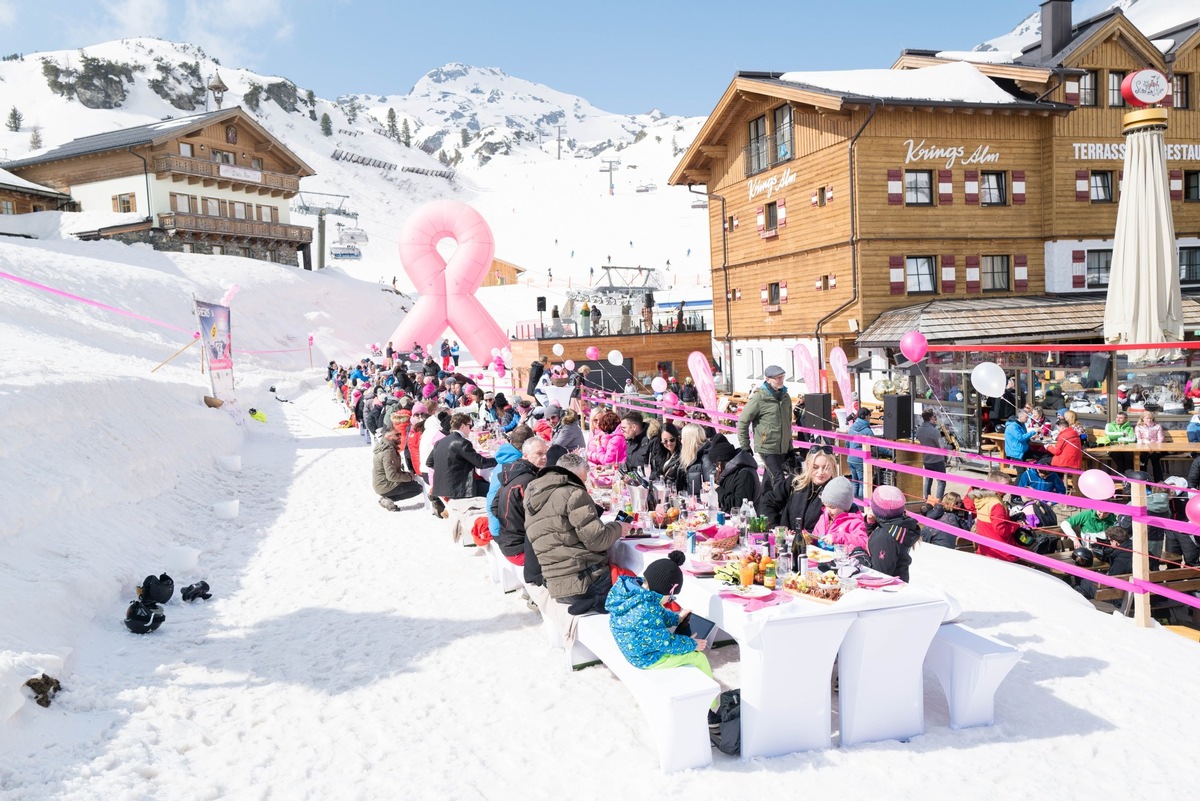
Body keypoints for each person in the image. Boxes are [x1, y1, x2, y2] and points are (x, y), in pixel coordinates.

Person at [524, 452, 628, 614]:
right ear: (574, 474)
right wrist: (619, 527)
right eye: (584, 479)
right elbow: (598, 540)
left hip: (555, 586)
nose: (585, 484)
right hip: (586, 584)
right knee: (638, 581)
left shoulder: (534, 495)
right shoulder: (573, 493)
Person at [606, 551, 715, 687]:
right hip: (646, 658)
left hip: (633, 648)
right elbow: (665, 643)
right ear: (664, 590)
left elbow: (658, 615)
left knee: (680, 643)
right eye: (671, 597)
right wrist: (692, 644)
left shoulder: (637, 595)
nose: (671, 600)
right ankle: (710, 705)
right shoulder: (646, 611)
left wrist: (677, 618)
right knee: (698, 657)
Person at [491, 434, 549, 567]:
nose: (544, 457)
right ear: (525, 455)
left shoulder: (513, 472)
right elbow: (541, 517)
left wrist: (510, 524)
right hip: (520, 550)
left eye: (545, 453)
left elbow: (494, 507)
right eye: (539, 454)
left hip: (507, 542)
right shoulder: (529, 480)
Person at [737, 365, 792, 491]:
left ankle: (764, 504)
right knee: (778, 478)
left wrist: (789, 446)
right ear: (768, 379)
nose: (781, 380)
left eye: (782, 377)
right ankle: (781, 508)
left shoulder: (785, 397)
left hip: (782, 447)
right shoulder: (759, 398)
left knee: (770, 478)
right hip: (766, 446)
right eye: (778, 378)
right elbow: (743, 421)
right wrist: (745, 446)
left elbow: (788, 424)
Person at [763, 446, 840, 534]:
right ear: (808, 465)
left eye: (826, 468)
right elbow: (768, 502)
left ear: (833, 467)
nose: (820, 472)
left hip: (816, 545)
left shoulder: (837, 492)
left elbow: (847, 520)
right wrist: (776, 528)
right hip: (786, 541)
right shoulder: (795, 482)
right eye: (815, 467)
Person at [427, 413, 497, 500]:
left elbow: (429, 462)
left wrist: (449, 468)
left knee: (485, 483)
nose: (470, 429)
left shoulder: (440, 441)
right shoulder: (462, 442)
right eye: (469, 426)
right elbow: (481, 463)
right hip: (460, 489)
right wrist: (498, 459)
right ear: (463, 426)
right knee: (497, 489)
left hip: (443, 488)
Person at [485, 425, 534, 540]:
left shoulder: (503, 461)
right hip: (504, 531)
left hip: (495, 524)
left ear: (511, 441)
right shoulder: (517, 467)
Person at [864, 485, 920, 582]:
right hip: (898, 585)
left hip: (887, 591)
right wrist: (871, 523)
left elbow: (879, 575)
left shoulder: (884, 538)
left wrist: (860, 556)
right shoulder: (896, 527)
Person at [810, 476, 868, 554]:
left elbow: (864, 543)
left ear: (844, 506)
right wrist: (807, 538)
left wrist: (837, 537)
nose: (827, 510)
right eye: (825, 506)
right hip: (821, 560)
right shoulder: (824, 518)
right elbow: (816, 535)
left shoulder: (854, 522)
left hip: (841, 562)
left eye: (832, 507)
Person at [963, 488, 1021, 562]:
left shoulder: (982, 501)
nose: (1008, 488)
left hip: (985, 550)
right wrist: (1017, 525)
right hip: (1000, 553)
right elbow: (1002, 530)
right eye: (1006, 485)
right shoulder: (996, 504)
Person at [372, 428, 422, 511]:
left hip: (382, 483)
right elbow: (391, 476)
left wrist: (406, 475)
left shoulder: (387, 448)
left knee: (412, 482)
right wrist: (408, 477)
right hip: (385, 485)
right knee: (417, 488)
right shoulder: (388, 452)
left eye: (400, 434)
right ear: (388, 437)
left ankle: (387, 498)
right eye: (397, 435)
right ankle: (387, 499)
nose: (400, 436)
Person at [710, 437, 760, 514]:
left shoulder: (745, 474)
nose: (716, 468)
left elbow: (739, 505)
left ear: (722, 462)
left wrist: (717, 490)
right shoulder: (729, 472)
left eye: (716, 464)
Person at [914, 409, 949, 500]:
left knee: (928, 480)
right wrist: (951, 446)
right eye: (934, 417)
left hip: (926, 459)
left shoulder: (919, 429)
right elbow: (942, 447)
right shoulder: (934, 431)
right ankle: (938, 501)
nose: (936, 419)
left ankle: (927, 499)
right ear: (930, 418)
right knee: (941, 481)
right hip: (937, 459)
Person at [845, 407, 874, 498]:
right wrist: (889, 452)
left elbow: (847, 443)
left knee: (855, 481)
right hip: (859, 460)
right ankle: (862, 505)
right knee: (862, 483)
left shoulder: (852, 427)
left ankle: (853, 502)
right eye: (870, 415)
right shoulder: (868, 431)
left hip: (850, 458)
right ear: (865, 417)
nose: (870, 417)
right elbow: (876, 446)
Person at [676, 423, 711, 496]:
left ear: (689, 440)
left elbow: (711, 488)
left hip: (702, 505)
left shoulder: (706, 458)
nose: (681, 441)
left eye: (682, 438)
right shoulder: (692, 457)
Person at [1045, 418, 1083, 485]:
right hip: (1075, 461)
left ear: (1062, 427)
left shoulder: (1063, 435)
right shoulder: (1074, 433)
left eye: (1058, 428)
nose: (1058, 430)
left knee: (1041, 462)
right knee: (1047, 459)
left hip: (1065, 462)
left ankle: (1051, 485)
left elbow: (1056, 452)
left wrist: (1048, 447)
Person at [1135, 410, 1166, 482]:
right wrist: (1146, 447)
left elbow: (1160, 439)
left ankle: (1159, 481)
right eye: (1147, 418)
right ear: (1143, 419)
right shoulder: (1139, 427)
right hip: (1143, 448)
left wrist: (1153, 448)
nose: (1149, 420)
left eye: (1151, 418)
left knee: (1155, 460)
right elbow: (1139, 439)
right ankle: (1143, 481)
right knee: (1142, 460)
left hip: (1155, 448)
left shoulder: (1157, 426)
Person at [1004, 410, 1036, 477]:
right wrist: (1033, 431)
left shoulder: (1021, 424)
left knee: (1043, 456)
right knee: (1021, 473)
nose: (1027, 419)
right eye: (1026, 417)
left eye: (1028, 417)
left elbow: (1023, 436)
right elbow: (1020, 438)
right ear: (1020, 417)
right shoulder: (1012, 427)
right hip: (1015, 453)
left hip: (1023, 450)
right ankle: (1016, 487)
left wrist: (1030, 438)